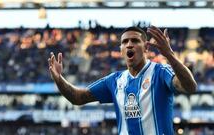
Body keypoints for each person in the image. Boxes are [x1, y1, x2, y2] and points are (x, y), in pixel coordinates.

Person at [48, 26, 197, 135]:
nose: (129, 44)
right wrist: (59, 79)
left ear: (145, 47)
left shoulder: (160, 72)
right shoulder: (114, 80)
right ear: (121, 50)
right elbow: (78, 97)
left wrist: (170, 55)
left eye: (134, 41)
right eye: (125, 42)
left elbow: (190, 87)